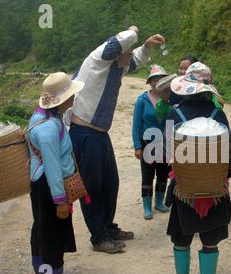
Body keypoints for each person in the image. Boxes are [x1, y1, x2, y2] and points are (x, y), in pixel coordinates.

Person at [68, 26, 165, 254]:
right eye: (127, 53)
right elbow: (122, 40)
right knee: (91, 187)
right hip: (83, 134)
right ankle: (98, 237)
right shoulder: (98, 59)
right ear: (118, 52)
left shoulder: (117, 67)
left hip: (100, 134)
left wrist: (148, 46)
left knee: (110, 183)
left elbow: (136, 60)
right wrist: (134, 30)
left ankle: (108, 227)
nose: (130, 57)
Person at [166, 62, 231, 274]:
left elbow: (167, 152)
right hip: (214, 189)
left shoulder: (175, 114)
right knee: (210, 238)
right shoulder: (219, 114)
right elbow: (229, 155)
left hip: (184, 187)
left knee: (181, 235)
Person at [28, 72, 84, 274]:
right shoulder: (49, 128)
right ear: (62, 99)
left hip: (40, 181)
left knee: (41, 227)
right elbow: (52, 167)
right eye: (71, 95)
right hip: (50, 186)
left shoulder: (41, 117)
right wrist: (60, 199)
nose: (74, 98)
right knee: (52, 232)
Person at [132, 65, 170, 219]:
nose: (157, 82)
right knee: (147, 175)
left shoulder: (169, 99)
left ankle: (159, 203)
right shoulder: (142, 100)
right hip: (147, 142)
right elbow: (136, 125)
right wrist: (137, 146)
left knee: (163, 174)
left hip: (165, 143)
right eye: (154, 80)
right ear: (150, 82)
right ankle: (147, 206)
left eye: (160, 79)